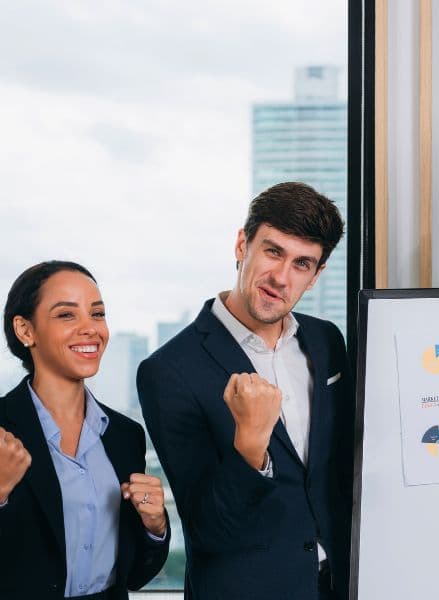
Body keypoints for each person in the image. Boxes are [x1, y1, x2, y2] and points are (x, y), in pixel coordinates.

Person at [137, 182, 354, 599]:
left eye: (301, 263)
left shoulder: (327, 342)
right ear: (242, 244)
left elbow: (338, 474)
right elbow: (206, 529)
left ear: (316, 275)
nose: (280, 277)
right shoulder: (168, 370)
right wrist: (251, 443)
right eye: (273, 251)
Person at [0, 261, 169, 600]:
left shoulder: (125, 436)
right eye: (66, 315)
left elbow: (134, 575)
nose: (91, 328)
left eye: (97, 314)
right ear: (25, 330)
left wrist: (156, 527)